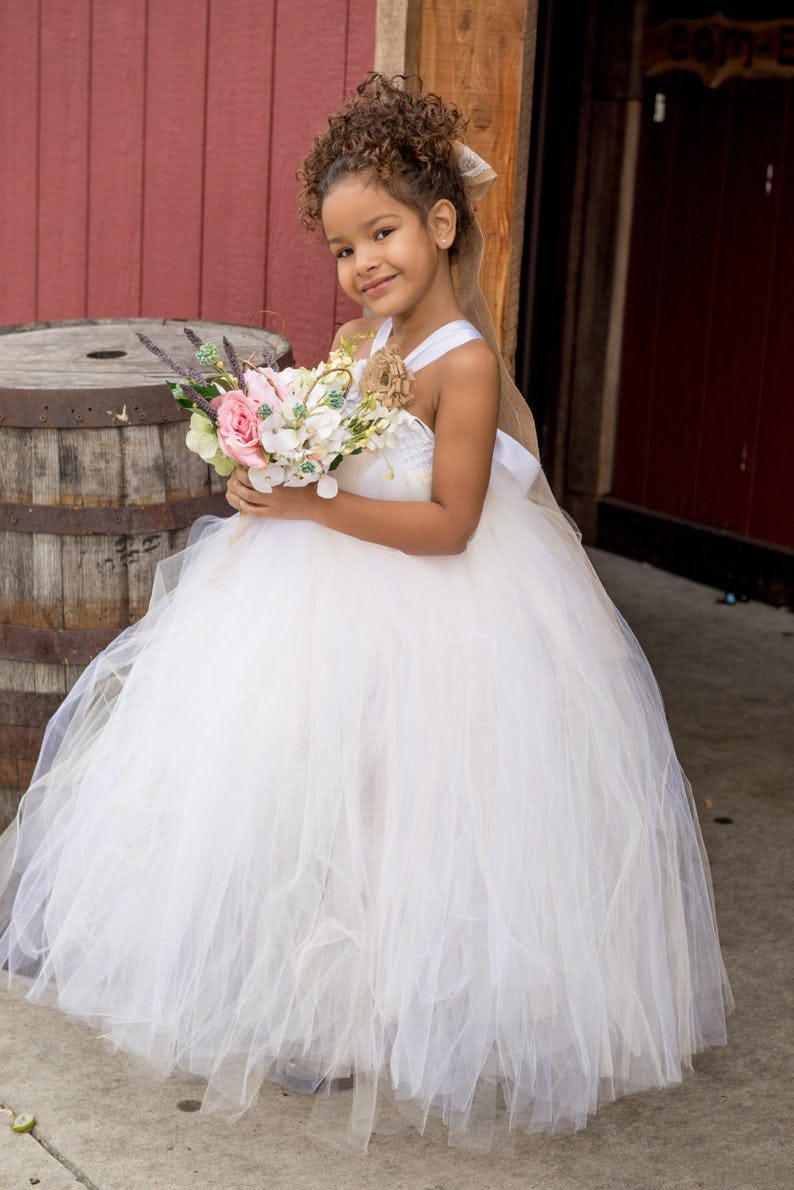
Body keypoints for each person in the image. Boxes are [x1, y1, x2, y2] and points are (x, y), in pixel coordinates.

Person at [0, 75, 732, 1153]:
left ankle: (383, 1009)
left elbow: (448, 520)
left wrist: (311, 498)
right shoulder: (354, 347)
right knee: (313, 789)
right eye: (342, 247)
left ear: (439, 225)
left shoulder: (462, 365)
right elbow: (323, 456)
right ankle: (316, 989)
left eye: (380, 233)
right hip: (319, 590)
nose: (362, 264)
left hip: (441, 609)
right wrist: (264, 481)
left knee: (409, 805)